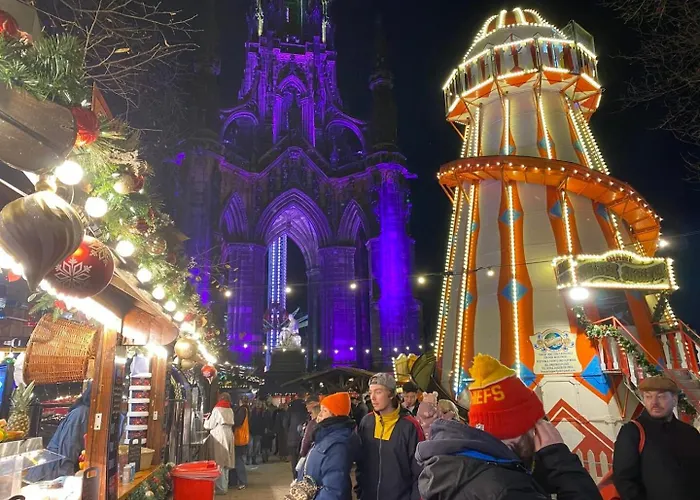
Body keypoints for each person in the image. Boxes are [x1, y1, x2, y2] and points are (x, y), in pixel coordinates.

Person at [415, 354, 601, 500]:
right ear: (520, 429)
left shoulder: (463, 468)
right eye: (535, 425)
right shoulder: (507, 490)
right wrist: (560, 461)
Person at [613, 375, 700, 500]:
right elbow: (624, 480)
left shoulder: (690, 433)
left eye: (661, 397)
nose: (654, 403)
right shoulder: (633, 432)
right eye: (648, 397)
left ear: (674, 400)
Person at [355, 373, 424, 500]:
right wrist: (360, 491)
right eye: (370, 393)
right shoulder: (367, 422)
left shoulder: (410, 426)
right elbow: (361, 462)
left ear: (391, 394)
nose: (372, 398)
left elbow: (420, 471)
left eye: (378, 392)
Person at [294, 392, 360, 500]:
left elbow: (334, 491)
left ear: (335, 415)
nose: (319, 415)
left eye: (324, 411)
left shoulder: (338, 445)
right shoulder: (325, 436)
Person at [26, 384, 92, 482]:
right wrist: (66, 482)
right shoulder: (81, 414)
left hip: (56, 475)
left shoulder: (87, 414)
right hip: (47, 477)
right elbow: (67, 453)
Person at [204, 393, 236, 495]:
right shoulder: (230, 409)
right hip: (229, 434)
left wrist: (206, 420)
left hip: (220, 435)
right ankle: (225, 486)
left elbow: (210, 425)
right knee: (226, 462)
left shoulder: (217, 409)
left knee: (219, 461)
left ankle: (220, 488)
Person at [286, 392, 310, 480]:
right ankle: (301, 478)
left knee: (294, 459)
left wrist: (288, 432)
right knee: (303, 459)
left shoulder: (290, 407)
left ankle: (295, 478)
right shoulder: (306, 407)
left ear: (296, 396)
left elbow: (285, 423)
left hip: (292, 437)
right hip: (304, 437)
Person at [230, 396, 250, 490]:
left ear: (240, 401)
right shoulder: (246, 410)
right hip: (241, 438)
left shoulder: (242, 410)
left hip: (239, 438)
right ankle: (235, 481)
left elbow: (238, 422)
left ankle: (242, 481)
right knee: (237, 460)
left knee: (238, 460)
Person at [247, 399, 266, 465]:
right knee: (250, 447)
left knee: (255, 447)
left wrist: (263, 430)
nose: (258, 405)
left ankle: (253, 460)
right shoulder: (251, 412)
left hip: (258, 432)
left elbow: (264, 423)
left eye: (259, 404)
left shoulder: (263, 413)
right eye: (257, 404)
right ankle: (248, 459)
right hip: (251, 431)